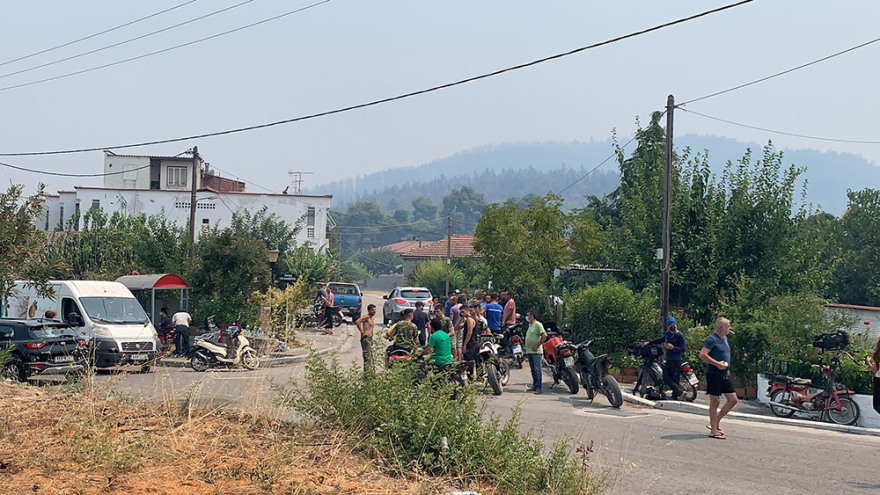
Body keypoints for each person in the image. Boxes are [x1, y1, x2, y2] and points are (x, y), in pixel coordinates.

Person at [699, 317, 738, 439]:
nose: (729, 327)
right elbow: (702, 355)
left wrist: (727, 368)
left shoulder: (725, 338)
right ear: (721, 327)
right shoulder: (712, 339)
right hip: (714, 374)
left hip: (724, 375)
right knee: (715, 401)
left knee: (733, 400)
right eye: (728, 325)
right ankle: (713, 430)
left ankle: (714, 422)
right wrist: (717, 364)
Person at [647, 316, 686, 400]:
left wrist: (673, 348)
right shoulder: (667, 335)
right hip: (669, 359)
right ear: (668, 326)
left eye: (673, 324)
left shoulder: (679, 335)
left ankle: (678, 394)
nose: (672, 326)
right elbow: (660, 340)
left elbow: (683, 349)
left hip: (676, 360)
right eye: (670, 324)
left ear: (676, 324)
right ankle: (678, 393)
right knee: (666, 378)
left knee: (674, 379)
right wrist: (649, 343)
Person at [524, 309, 547, 394]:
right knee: (533, 369)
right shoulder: (530, 325)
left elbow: (544, 335)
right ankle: (534, 385)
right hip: (530, 351)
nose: (527, 317)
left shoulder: (538, 325)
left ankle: (538, 387)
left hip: (536, 352)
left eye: (528, 315)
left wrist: (537, 345)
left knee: (537, 369)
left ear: (532, 316)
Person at [450, 294, 466, 361]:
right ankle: (459, 359)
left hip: (454, 328)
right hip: (462, 328)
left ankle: (455, 359)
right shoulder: (464, 308)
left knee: (454, 345)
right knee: (459, 345)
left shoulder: (453, 308)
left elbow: (451, 319)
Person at [867, 337, 880, 415]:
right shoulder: (878, 354)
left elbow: (875, 369)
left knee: (877, 405)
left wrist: (868, 363)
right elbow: (876, 369)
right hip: (878, 379)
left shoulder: (878, 354)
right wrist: (869, 363)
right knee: (877, 405)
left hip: (878, 379)